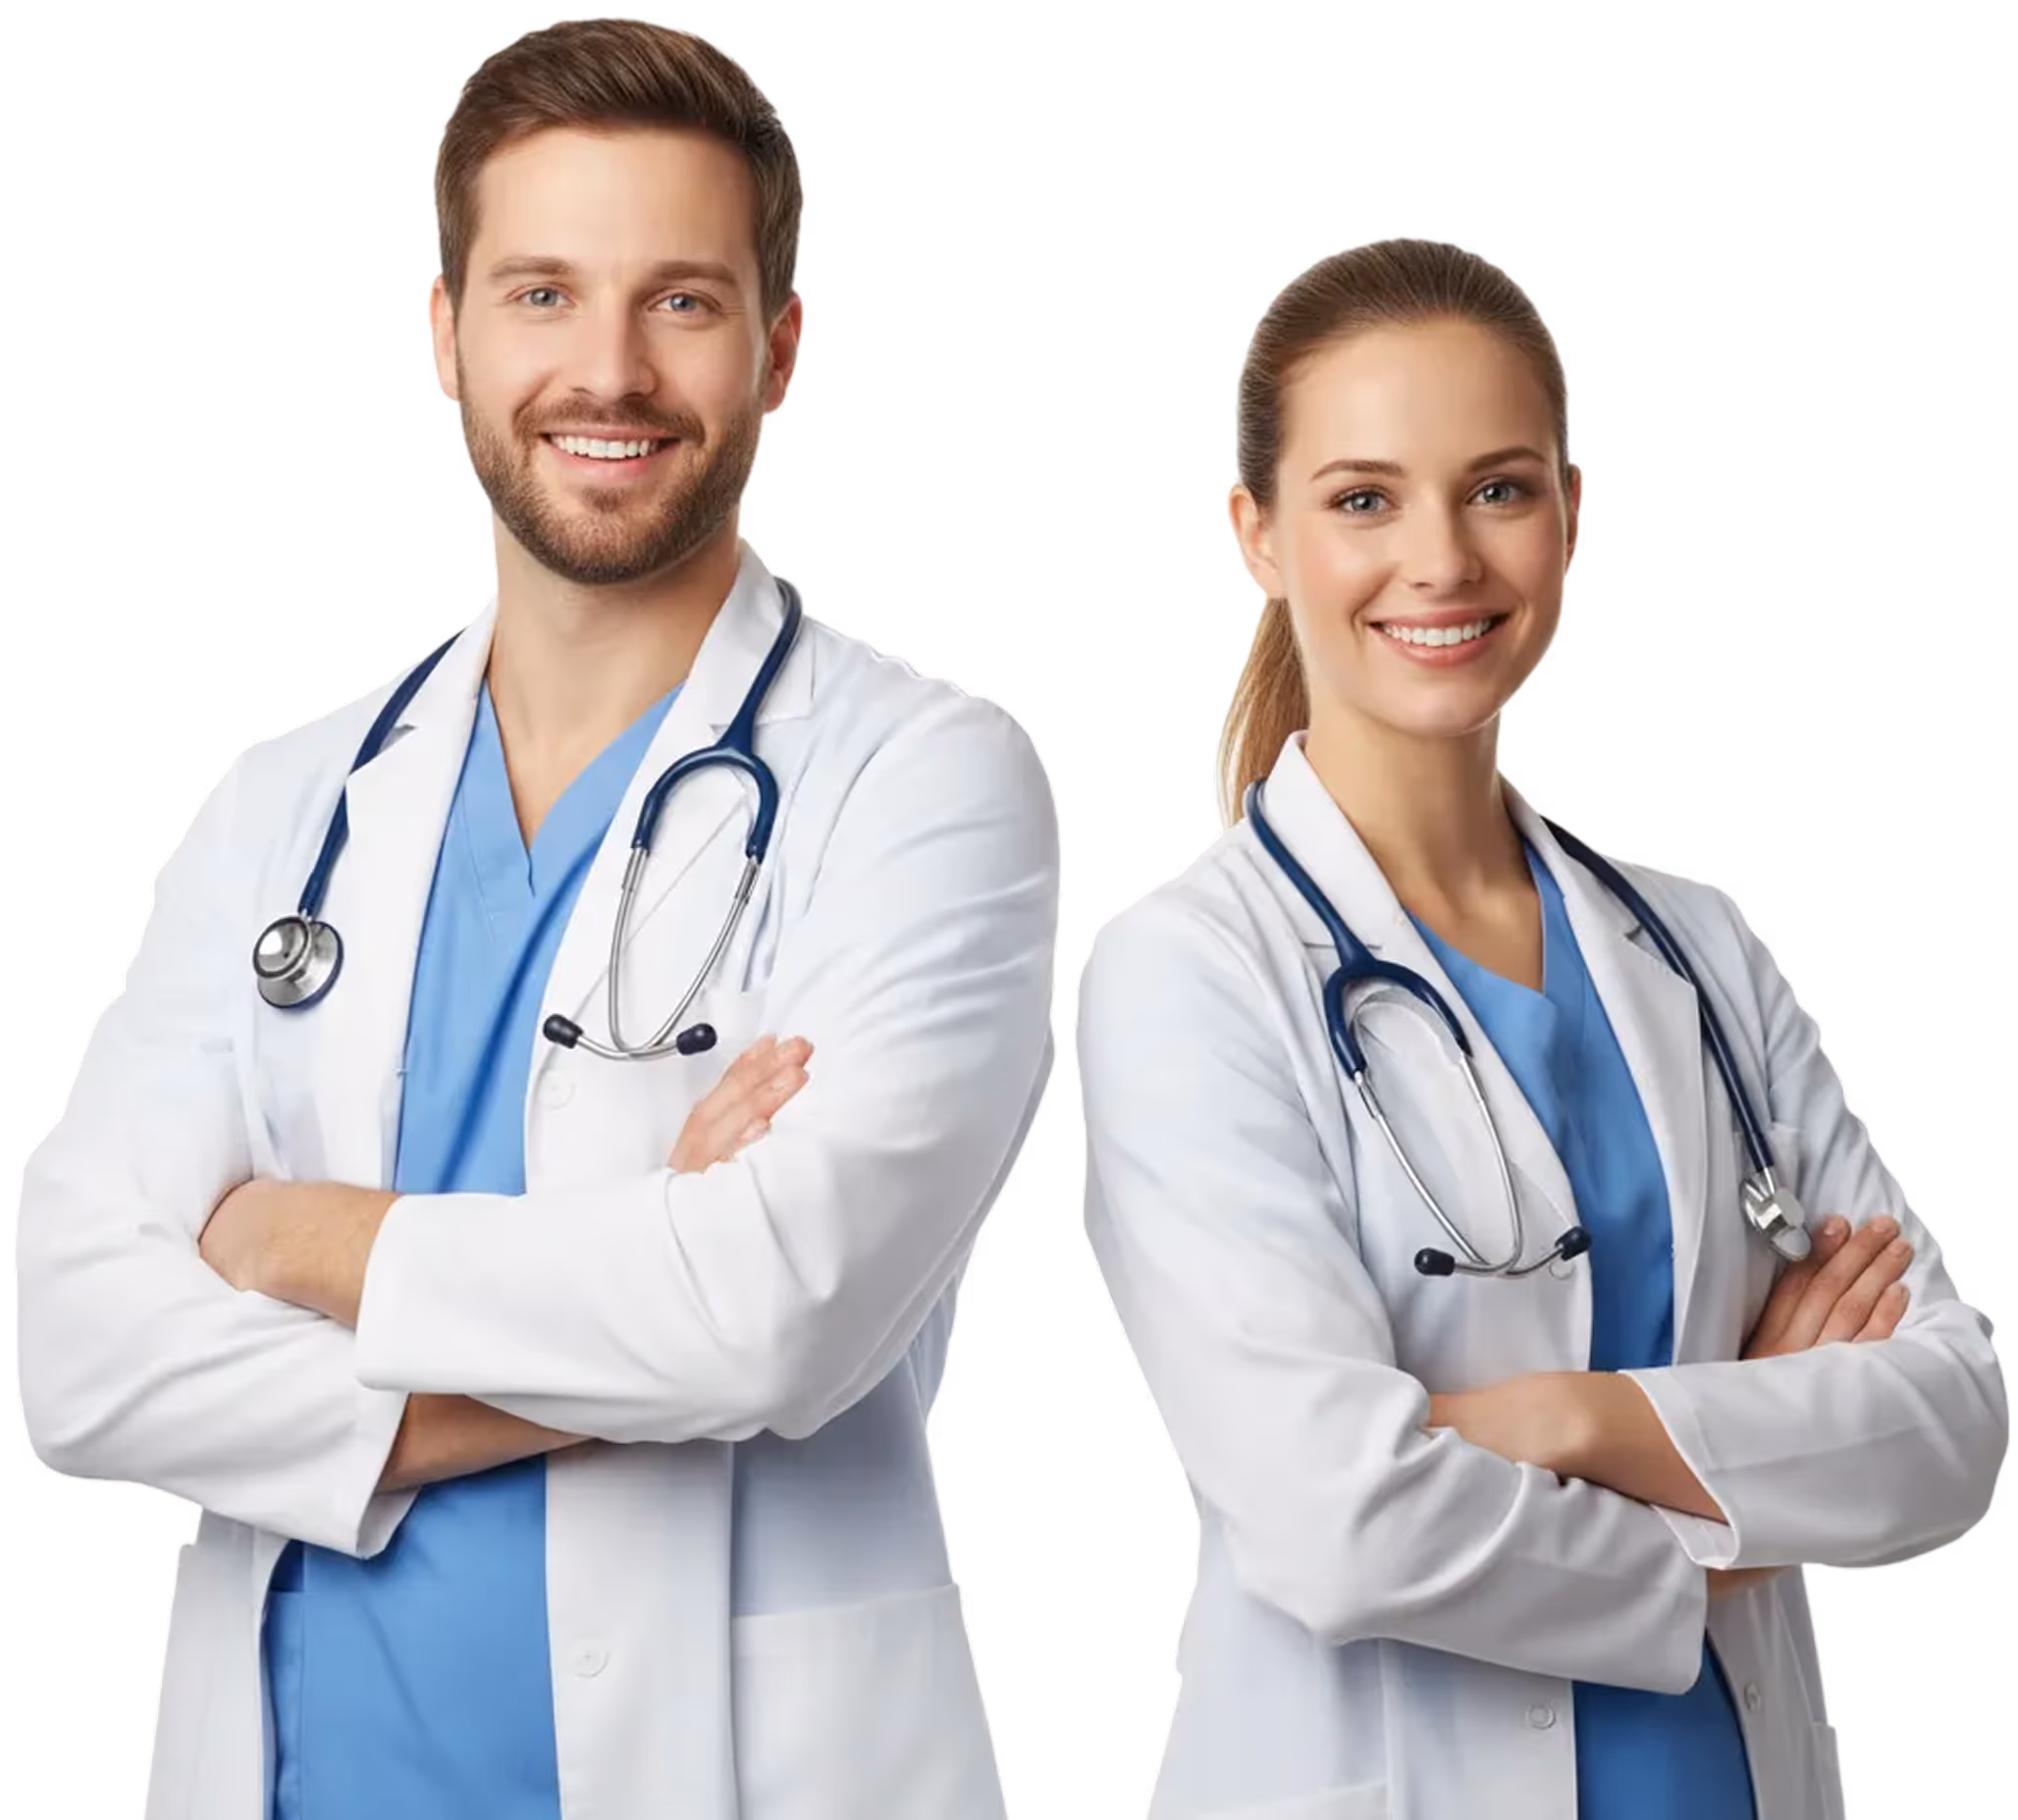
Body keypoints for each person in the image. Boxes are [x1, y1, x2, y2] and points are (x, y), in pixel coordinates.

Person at [15, 21, 1059, 1819]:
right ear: (445, 334)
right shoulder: (286, 803)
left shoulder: (929, 776)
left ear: (780, 350)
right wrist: (651, 1262)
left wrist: (290, 1238)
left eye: (681, 302)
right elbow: (80, 1355)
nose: (609, 371)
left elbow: (783, 1317)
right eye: (543, 293)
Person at [1072, 236, 2006, 1820]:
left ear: (1573, 512)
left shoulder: (1696, 943)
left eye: (1497, 488)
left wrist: (1579, 1420)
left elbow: (1953, 1417)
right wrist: (1738, 1505)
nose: (1441, 559)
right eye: (1363, 498)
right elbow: (1335, 1518)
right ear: (1258, 535)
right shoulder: (1186, 969)